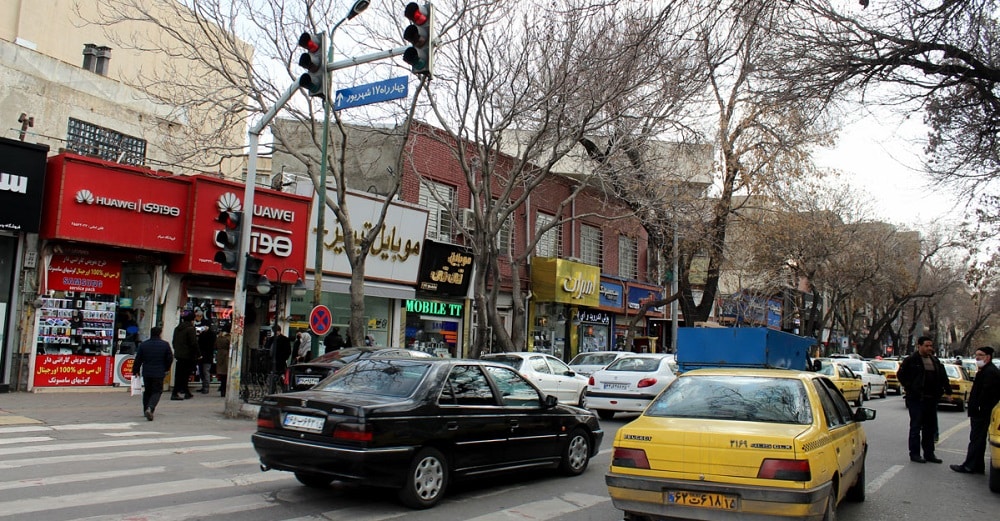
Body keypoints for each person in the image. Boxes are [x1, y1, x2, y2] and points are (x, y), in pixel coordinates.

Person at [897, 336, 951, 463]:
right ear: (919, 346)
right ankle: (915, 454)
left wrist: (948, 391)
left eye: (930, 346)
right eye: (926, 346)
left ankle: (929, 453)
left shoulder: (935, 361)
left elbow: (943, 377)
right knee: (916, 426)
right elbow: (901, 375)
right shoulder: (911, 360)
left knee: (930, 427)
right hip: (917, 399)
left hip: (931, 399)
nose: (929, 348)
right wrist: (910, 387)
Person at [951, 346, 1000, 474]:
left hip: (982, 412)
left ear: (988, 357)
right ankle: (977, 465)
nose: (977, 357)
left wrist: (978, 406)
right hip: (981, 411)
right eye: (976, 355)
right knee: (978, 439)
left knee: (976, 439)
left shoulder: (990, 372)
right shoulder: (985, 370)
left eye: (981, 355)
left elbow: (986, 394)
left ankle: (970, 466)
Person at [132, 326, 173, 421]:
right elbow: (169, 358)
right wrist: (166, 368)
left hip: (147, 372)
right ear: (160, 333)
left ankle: (145, 409)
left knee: (147, 391)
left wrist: (135, 371)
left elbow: (138, 359)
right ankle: (150, 407)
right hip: (159, 372)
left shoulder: (144, 345)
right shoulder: (165, 345)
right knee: (157, 391)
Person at [171, 310, 198, 400]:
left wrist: (177, 350)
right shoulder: (190, 329)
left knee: (179, 374)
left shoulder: (177, 328)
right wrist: (198, 354)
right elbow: (193, 343)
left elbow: (174, 342)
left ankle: (185, 391)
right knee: (185, 374)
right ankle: (177, 392)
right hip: (188, 355)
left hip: (179, 354)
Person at [193, 309, 217, 394]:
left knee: (205, 371)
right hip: (203, 355)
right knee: (202, 371)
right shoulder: (205, 334)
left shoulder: (209, 335)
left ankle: (206, 387)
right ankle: (204, 386)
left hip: (206, 355)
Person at [214, 327, 230, 397]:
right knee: (226, 374)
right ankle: (224, 390)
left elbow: (215, 346)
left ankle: (222, 389)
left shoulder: (219, 337)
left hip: (219, 356)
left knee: (222, 374)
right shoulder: (228, 338)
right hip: (226, 356)